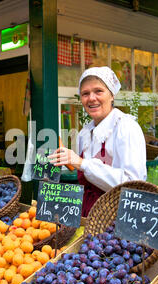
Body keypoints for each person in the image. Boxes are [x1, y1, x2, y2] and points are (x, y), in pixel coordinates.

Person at [48, 66, 147, 217]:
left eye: (98, 91)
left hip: (117, 218)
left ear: (112, 95)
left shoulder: (126, 128)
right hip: (89, 215)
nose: (91, 98)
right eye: (85, 93)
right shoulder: (84, 133)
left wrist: (81, 163)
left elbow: (133, 185)